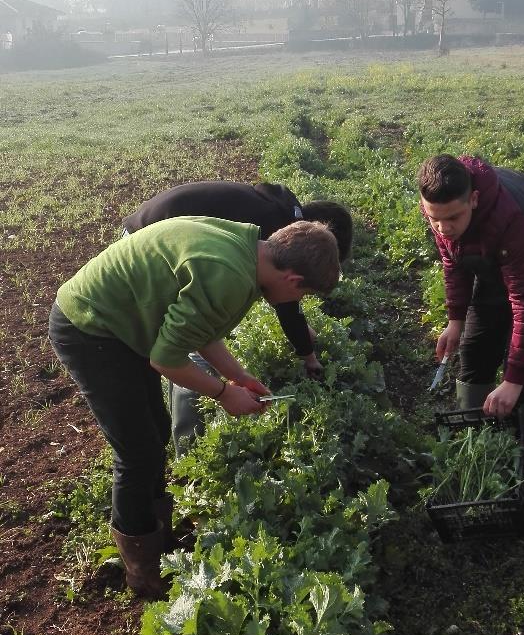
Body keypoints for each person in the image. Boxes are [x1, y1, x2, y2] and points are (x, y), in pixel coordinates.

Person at [49, 217, 341, 599]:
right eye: (303, 296)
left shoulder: (246, 249)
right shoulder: (229, 275)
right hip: (91, 329)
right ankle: (144, 572)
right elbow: (167, 359)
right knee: (137, 453)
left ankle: (158, 535)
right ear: (293, 281)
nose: (297, 304)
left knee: (154, 428)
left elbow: (201, 330)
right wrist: (224, 394)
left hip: (120, 325)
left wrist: (238, 376)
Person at [123, 181, 353, 452]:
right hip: (148, 241)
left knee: (195, 335)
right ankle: (191, 447)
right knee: (186, 348)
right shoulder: (251, 258)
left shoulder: (284, 217)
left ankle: (178, 436)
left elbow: (286, 297)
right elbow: (287, 305)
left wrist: (240, 375)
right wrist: (309, 357)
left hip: (159, 232)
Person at [418, 154, 524, 428]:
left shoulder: (511, 222)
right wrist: (455, 320)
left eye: (453, 218)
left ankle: (518, 435)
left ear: (474, 199)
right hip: (497, 252)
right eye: (435, 219)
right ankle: (472, 430)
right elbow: (454, 260)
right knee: (474, 345)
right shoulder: (442, 206)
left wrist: (513, 380)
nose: (443, 228)